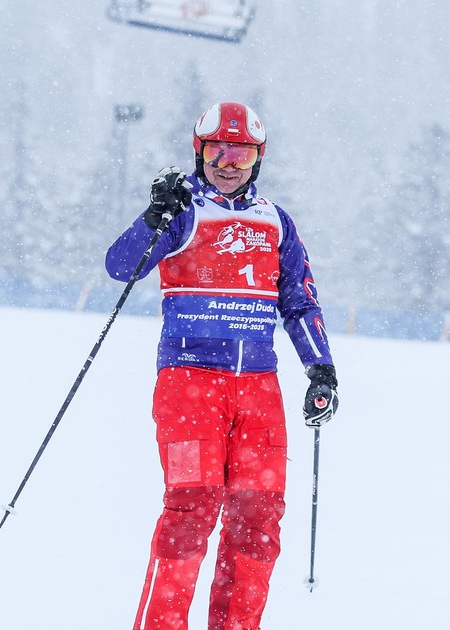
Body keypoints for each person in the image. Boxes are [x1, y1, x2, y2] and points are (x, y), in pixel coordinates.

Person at [105, 101, 339, 630]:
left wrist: (320, 369)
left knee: (258, 519)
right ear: (199, 151)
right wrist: (152, 217)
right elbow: (121, 266)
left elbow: (299, 302)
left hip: (258, 391)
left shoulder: (275, 222)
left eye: (241, 152)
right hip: (190, 387)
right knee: (191, 509)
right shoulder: (183, 211)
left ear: (257, 157)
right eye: (217, 149)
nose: (228, 162)